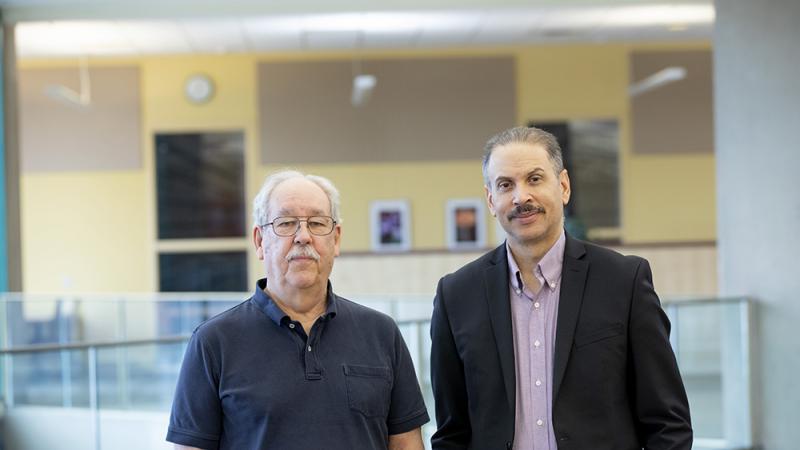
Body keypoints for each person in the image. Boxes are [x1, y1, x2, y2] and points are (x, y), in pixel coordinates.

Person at [429, 126, 692, 449]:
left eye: (535, 179)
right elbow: (451, 433)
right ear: (490, 200)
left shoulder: (624, 282)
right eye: (505, 185)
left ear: (564, 186)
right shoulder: (456, 296)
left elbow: (668, 424)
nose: (520, 197)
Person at [167, 170, 429, 450]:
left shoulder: (381, 334)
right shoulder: (213, 342)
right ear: (259, 241)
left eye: (317, 223)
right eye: (286, 223)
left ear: (336, 239)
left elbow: (406, 444)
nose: (303, 236)